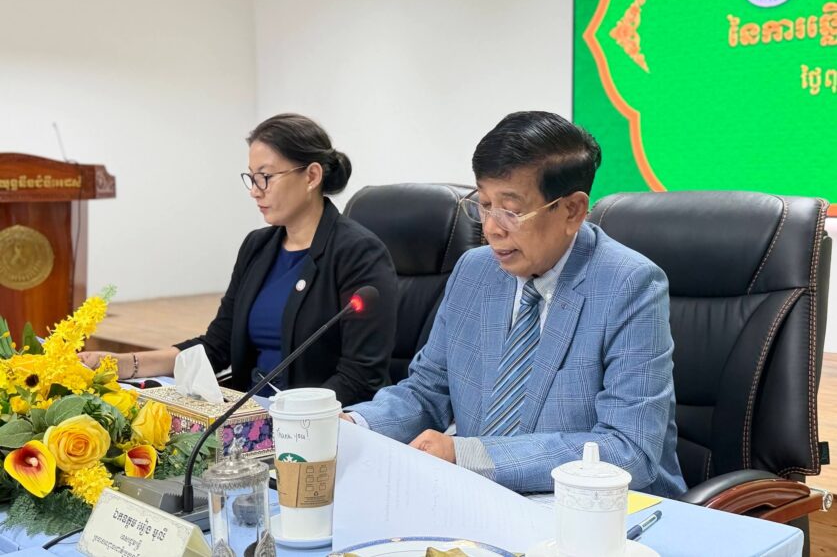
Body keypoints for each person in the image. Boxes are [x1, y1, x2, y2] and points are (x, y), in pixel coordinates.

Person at [344, 111, 686, 497]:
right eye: (484, 204)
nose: (491, 228)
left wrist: (469, 456)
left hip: (605, 510)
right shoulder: (474, 271)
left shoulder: (630, 285)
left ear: (572, 210)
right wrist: (353, 426)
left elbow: (629, 450)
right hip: (483, 501)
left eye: (512, 210)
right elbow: (428, 391)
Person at [81, 113, 397, 405]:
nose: (255, 191)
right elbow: (217, 347)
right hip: (248, 414)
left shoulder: (358, 253)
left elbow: (360, 377)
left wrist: (287, 418)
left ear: (312, 176)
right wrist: (121, 363)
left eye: (266, 177)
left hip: (317, 424)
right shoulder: (257, 247)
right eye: (251, 178)